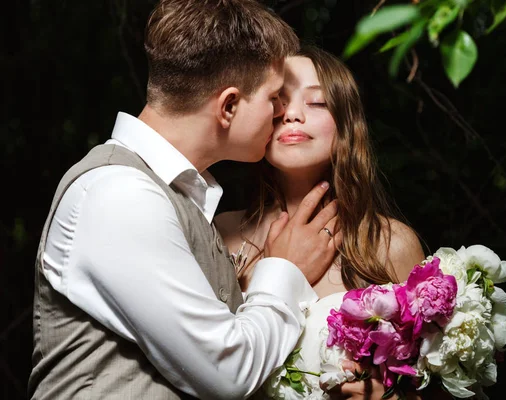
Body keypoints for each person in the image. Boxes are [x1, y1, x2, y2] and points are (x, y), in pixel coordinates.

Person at [28, 2, 342, 399]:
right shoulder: (119, 195)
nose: (282, 112)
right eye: (274, 97)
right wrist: (285, 269)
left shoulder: (175, 195)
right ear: (228, 106)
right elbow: (228, 371)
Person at [215, 45, 437, 399]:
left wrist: (392, 395)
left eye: (316, 102)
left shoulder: (389, 243)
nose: (292, 115)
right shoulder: (219, 233)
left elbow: (431, 384)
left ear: (348, 124)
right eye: (278, 100)